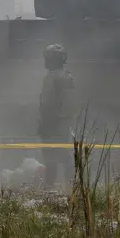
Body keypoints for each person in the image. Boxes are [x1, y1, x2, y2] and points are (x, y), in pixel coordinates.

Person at [37, 44, 80, 189]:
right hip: (58, 123)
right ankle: (63, 185)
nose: (46, 61)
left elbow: (54, 104)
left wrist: (49, 122)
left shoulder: (57, 77)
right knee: (58, 155)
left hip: (55, 123)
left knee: (56, 156)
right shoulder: (63, 76)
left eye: (48, 58)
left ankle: (58, 186)